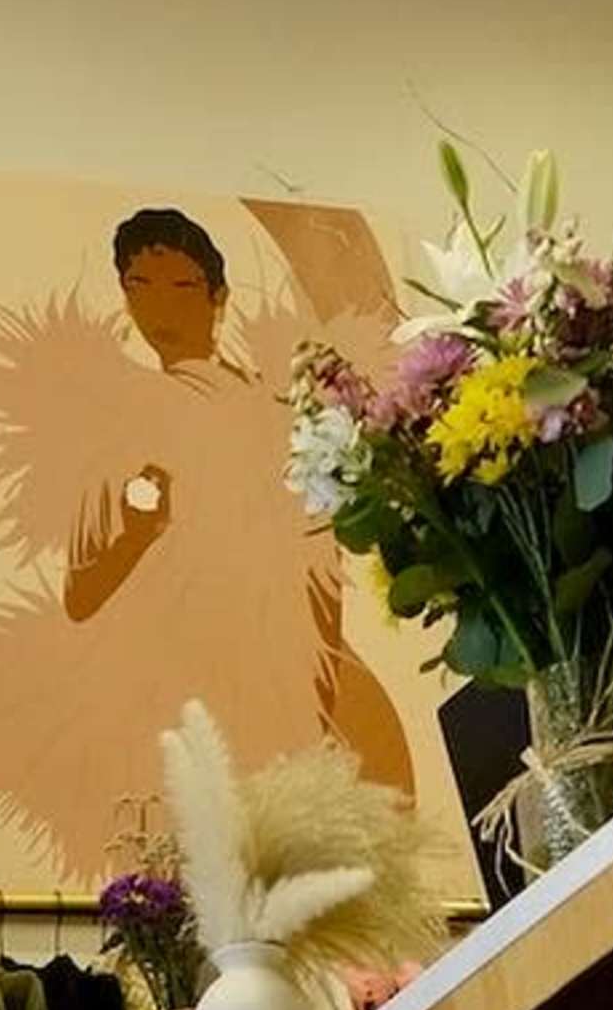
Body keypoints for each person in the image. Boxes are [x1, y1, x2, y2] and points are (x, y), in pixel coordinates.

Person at [60, 208, 412, 794]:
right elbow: (80, 592)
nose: (160, 307)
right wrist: (137, 534)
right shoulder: (120, 423)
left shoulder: (274, 420)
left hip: (278, 678)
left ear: (217, 296)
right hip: (173, 689)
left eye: (182, 287)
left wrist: (322, 699)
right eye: (139, 287)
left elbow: (321, 568)